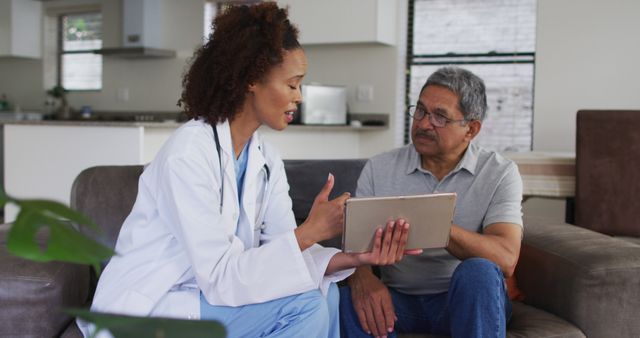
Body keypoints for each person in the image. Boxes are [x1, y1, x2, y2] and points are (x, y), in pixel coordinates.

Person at [80, 3, 421, 338]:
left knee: (325, 294)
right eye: (292, 84)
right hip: (157, 302)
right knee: (303, 306)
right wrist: (312, 231)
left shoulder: (265, 158)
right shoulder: (187, 155)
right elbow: (221, 276)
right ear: (251, 80)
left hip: (206, 298)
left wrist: (356, 257)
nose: (299, 97)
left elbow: (284, 250)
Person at [339, 67, 523, 338]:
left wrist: (432, 222)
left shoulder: (499, 173)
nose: (424, 123)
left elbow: (505, 259)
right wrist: (363, 278)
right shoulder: (379, 168)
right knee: (340, 299)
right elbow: (354, 246)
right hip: (397, 301)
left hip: (461, 300)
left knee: (479, 273)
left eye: (440, 116)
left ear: (470, 129)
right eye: (421, 111)